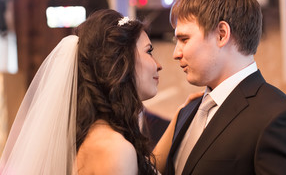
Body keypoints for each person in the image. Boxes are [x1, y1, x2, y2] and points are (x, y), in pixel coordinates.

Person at [162, 0, 286, 175]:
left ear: (221, 34)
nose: (176, 53)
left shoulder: (279, 118)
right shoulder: (189, 110)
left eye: (184, 39)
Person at [0, 9, 179, 175]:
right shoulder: (115, 149)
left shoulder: (91, 136)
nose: (158, 65)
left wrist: (181, 116)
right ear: (121, 62)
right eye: (149, 51)